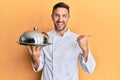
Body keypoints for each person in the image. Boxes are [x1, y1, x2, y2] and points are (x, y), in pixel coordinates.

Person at [27, 2, 96, 80]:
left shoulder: (78, 40)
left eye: (64, 16)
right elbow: (38, 68)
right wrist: (35, 58)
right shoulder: (44, 38)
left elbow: (90, 69)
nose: (60, 19)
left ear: (68, 18)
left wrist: (85, 49)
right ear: (52, 17)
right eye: (57, 15)